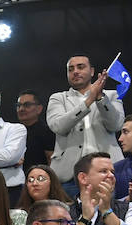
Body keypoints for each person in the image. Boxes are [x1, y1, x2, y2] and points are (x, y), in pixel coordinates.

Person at [47, 55, 125, 186]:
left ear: (92, 71)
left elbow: (115, 125)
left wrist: (100, 97)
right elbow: (58, 126)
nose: (75, 71)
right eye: (70, 69)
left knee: (108, 207)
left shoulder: (111, 95)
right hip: (70, 175)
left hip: (107, 171)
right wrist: (89, 101)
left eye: (81, 67)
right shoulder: (58, 98)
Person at [69, 153, 132, 225]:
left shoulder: (129, 207)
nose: (111, 175)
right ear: (83, 178)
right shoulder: (64, 211)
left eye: (112, 172)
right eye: (104, 171)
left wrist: (106, 210)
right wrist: (84, 219)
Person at [17, 89, 55, 177]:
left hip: (38, 180)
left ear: (39, 109)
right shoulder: (12, 131)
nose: (21, 109)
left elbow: (51, 161)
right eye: (19, 105)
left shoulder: (47, 131)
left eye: (27, 105)